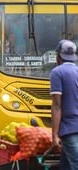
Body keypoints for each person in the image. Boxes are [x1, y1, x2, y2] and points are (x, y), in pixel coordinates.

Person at [50, 40, 78, 170]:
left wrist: (54, 135)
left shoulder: (57, 72)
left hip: (69, 129)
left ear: (58, 56)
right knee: (65, 165)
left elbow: (57, 105)